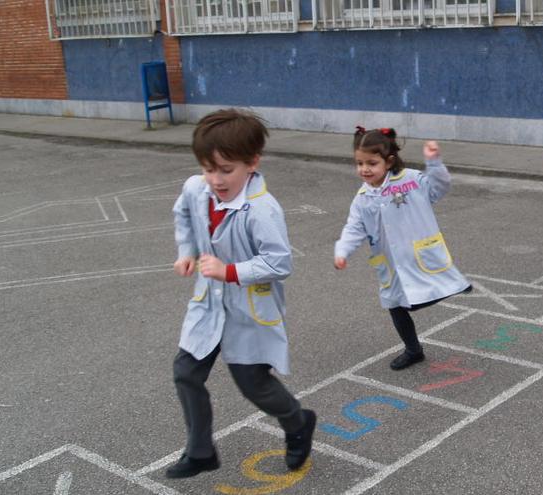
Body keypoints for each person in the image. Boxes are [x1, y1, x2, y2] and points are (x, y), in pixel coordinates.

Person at [168, 109, 316, 478]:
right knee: (186, 371)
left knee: (254, 385)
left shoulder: (262, 210)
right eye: (208, 168)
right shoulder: (196, 189)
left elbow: (279, 263)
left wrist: (230, 271)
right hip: (209, 303)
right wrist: (186, 251)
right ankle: (201, 451)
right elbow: (182, 215)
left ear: (252, 162)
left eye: (225, 170)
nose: (215, 179)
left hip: (250, 307)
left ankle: (297, 421)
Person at [334, 128, 471, 370]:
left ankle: (452, 286)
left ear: (388, 161)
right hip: (390, 263)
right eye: (359, 163)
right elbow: (354, 227)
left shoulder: (411, 180)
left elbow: (440, 187)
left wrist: (434, 162)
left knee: (427, 290)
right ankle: (413, 350)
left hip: (419, 257)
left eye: (371, 163)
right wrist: (343, 251)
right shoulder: (362, 197)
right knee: (395, 306)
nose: (364, 169)